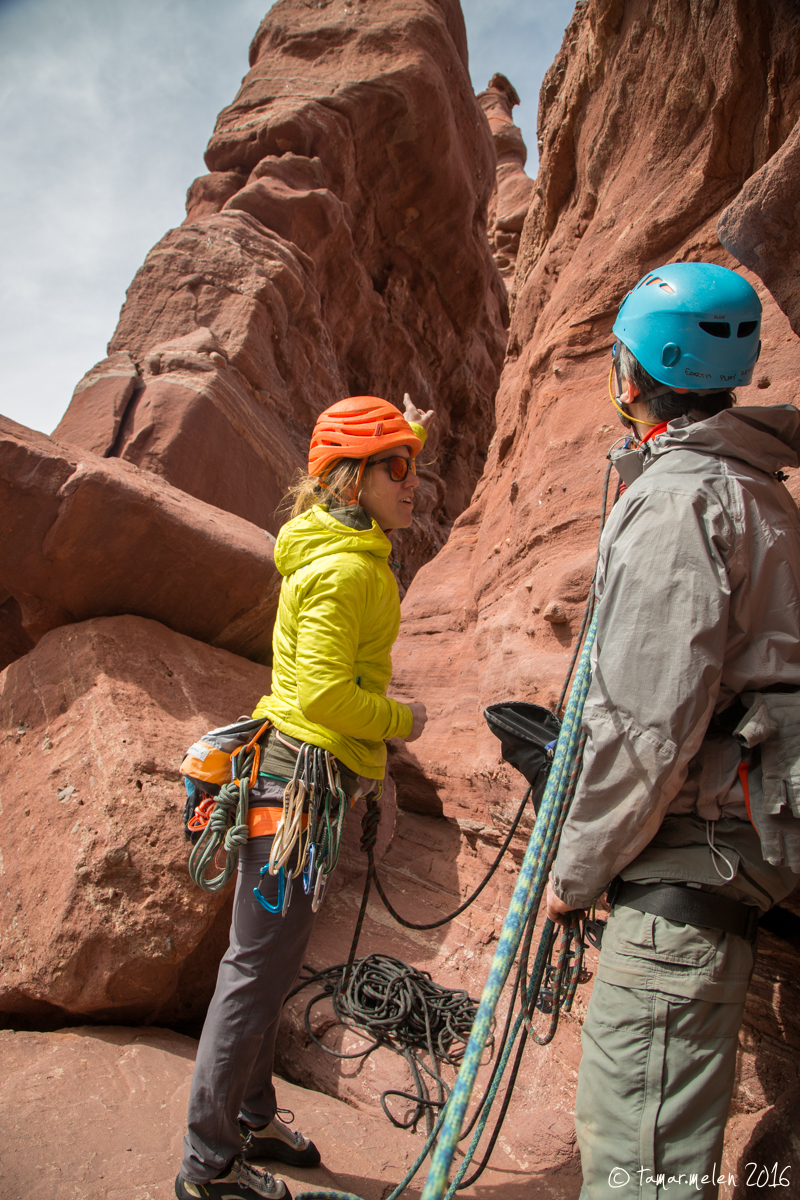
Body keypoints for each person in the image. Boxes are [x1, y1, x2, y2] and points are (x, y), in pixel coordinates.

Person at [544, 262, 800, 1199]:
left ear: (636, 368)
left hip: (690, 879)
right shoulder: (761, 491)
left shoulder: (681, 497)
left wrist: (571, 874)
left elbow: (648, 724)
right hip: (757, 850)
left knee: (636, 1161)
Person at [176, 393, 433, 1200]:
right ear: (351, 481)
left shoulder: (339, 549)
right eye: (396, 466)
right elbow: (324, 695)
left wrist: (410, 427)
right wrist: (403, 720)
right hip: (298, 790)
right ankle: (206, 1167)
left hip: (292, 784)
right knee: (254, 971)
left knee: (268, 962)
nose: (412, 480)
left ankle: (252, 1116)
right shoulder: (348, 571)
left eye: (414, 464)